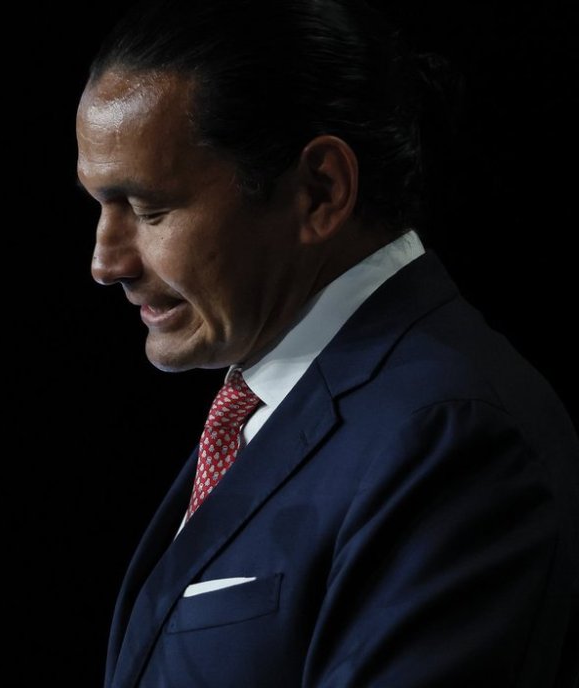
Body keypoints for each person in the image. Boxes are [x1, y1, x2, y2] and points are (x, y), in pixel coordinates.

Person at [74, 0, 579, 686]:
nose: (106, 263)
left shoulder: (451, 429)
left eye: (150, 210)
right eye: (99, 206)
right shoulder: (262, 405)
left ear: (319, 190)